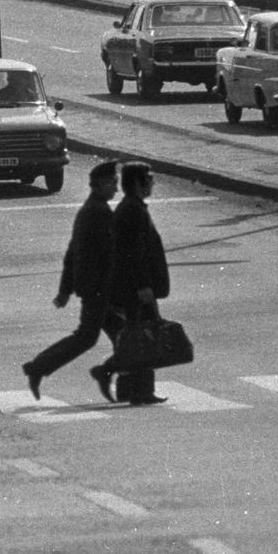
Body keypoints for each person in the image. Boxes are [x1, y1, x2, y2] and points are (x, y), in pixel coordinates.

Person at [22, 161, 120, 400]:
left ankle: (109, 372)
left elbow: (71, 252)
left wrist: (65, 290)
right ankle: (38, 368)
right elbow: (107, 255)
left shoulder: (90, 209)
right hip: (98, 288)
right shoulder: (98, 212)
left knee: (122, 335)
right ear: (102, 184)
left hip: (93, 286)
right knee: (88, 337)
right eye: (114, 184)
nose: (117, 189)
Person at [91, 160, 169, 406]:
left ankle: (127, 387)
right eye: (149, 179)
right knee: (143, 336)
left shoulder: (131, 207)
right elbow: (132, 254)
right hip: (134, 288)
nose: (152, 184)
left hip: (128, 287)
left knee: (135, 336)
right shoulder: (132, 211)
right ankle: (139, 389)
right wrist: (143, 285)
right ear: (137, 183)